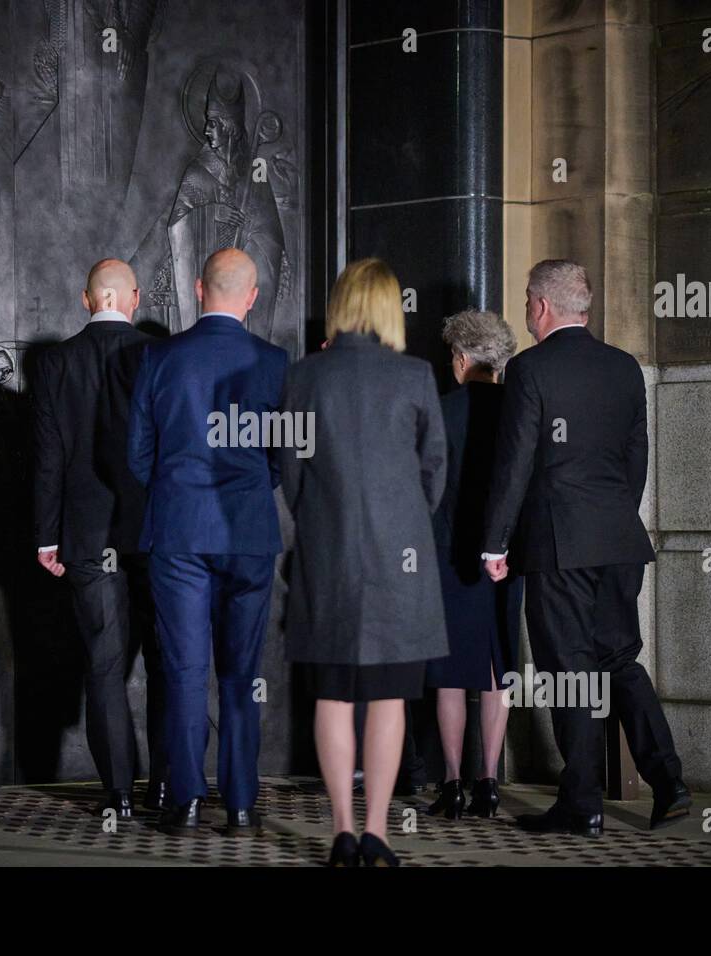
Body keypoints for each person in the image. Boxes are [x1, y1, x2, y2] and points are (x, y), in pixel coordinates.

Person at [482, 259, 690, 836]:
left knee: (571, 669)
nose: (526, 312)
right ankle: (669, 782)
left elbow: (516, 462)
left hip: (558, 543)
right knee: (619, 660)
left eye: (527, 301)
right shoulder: (624, 367)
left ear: (541, 306)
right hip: (619, 538)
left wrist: (494, 543)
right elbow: (635, 458)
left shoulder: (529, 369)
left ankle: (582, 803)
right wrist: (613, 517)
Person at [279, 258, 448, 867]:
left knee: (332, 695)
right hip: (399, 565)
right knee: (387, 699)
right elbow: (434, 474)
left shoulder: (303, 378)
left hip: (328, 559)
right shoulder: (415, 376)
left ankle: (342, 835)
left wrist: (324, 524)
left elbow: (290, 476)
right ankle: (377, 832)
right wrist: (401, 520)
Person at [128, 248, 288, 836]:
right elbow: (281, 457)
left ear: (199, 289)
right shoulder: (274, 362)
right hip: (247, 532)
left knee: (184, 670)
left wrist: (178, 491)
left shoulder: (160, 357)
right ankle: (242, 802)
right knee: (241, 674)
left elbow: (138, 454)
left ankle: (186, 799)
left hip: (180, 530)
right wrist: (248, 490)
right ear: (252, 297)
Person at [33, 258, 167, 818]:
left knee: (104, 666)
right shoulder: (158, 356)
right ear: (133, 298)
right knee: (167, 661)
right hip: (156, 531)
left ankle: (118, 793)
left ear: (87, 300)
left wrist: (46, 537)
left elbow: (48, 459)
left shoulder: (54, 363)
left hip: (86, 535)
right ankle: (165, 786)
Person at [425, 310, 523, 820]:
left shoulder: (439, 411)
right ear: (500, 361)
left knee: (448, 673)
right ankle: (489, 783)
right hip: (504, 556)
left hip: (447, 554)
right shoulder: (517, 409)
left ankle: (452, 784)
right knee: (495, 668)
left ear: (461, 359)